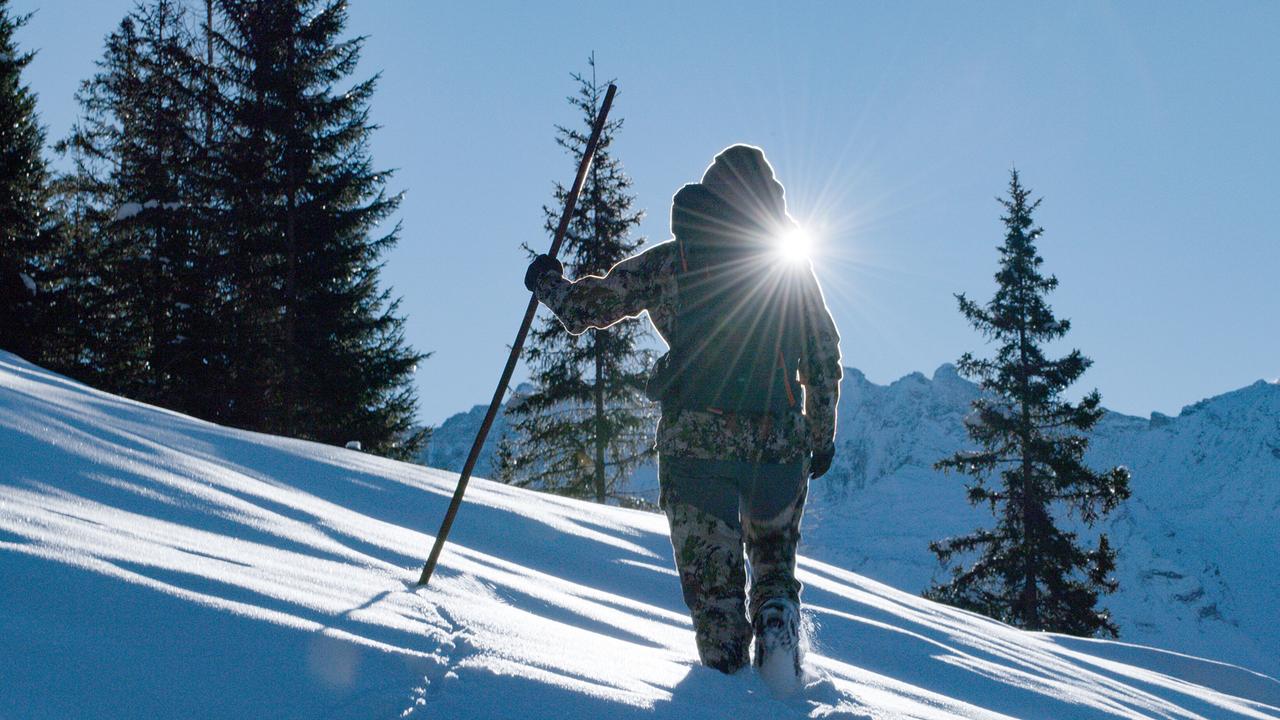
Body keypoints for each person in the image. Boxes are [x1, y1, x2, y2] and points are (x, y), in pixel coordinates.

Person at [524, 144, 841, 676]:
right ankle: (776, 615)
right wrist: (822, 435)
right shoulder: (790, 267)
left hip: (697, 441)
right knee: (773, 563)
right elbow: (823, 356)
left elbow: (591, 307)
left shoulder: (676, 258)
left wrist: (547, 283)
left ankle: (724, 681)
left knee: (715, 594)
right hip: (779, 442)